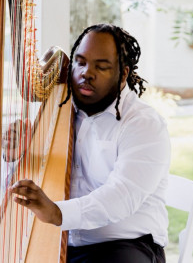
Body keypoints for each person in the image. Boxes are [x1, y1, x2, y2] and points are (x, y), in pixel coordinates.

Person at [10, 24, 171, 263]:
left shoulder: (143, 124)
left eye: (101, 66)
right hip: (64, 242)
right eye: (80, 62)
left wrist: (56, 212)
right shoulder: (62, 110)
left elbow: (121, 196)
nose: (87, 73)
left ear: (123, 74)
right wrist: (16, 156)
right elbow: (22, 191)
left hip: (125, 246)